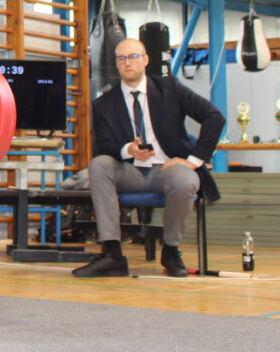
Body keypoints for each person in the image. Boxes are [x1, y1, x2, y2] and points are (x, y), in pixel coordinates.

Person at [72, 37, 224, 278]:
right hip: (130, 171)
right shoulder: (103, 104)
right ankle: (112, 253)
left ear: (145, 60)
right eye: (121, 58)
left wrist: (193, 161)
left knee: (184, 179)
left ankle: (171, 250)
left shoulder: (170, 88)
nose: (127, 63)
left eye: (132, 57)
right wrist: (127, 150)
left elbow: (214, 117)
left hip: (168, 169)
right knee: (98, 165)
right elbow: (105, 146)